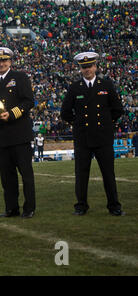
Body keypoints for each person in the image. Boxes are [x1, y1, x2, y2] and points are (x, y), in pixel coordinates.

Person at [61, 52, 125, 216]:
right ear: (80, 69)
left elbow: (118, 109)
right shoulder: (75, 88)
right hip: (83, 138)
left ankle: (114, 206)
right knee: (81, 175)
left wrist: (106, 123)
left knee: (108, 174)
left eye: (90, 66)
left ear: (95, 66)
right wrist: (78, 123)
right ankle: (81, 206)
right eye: (84, 67)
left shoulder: (106, 85)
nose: (87, 69)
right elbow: (65, 112)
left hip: (103, 137)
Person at [0, 47, 36, 218]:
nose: (1, 63)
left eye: (4, 60)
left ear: (10, 61)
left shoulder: (20, 77)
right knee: (7, 177)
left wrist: (12, 113)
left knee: (26, 174)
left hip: (19, 134)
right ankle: (11, 208)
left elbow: (29, 101)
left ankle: (29, 208)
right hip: (2, 136)